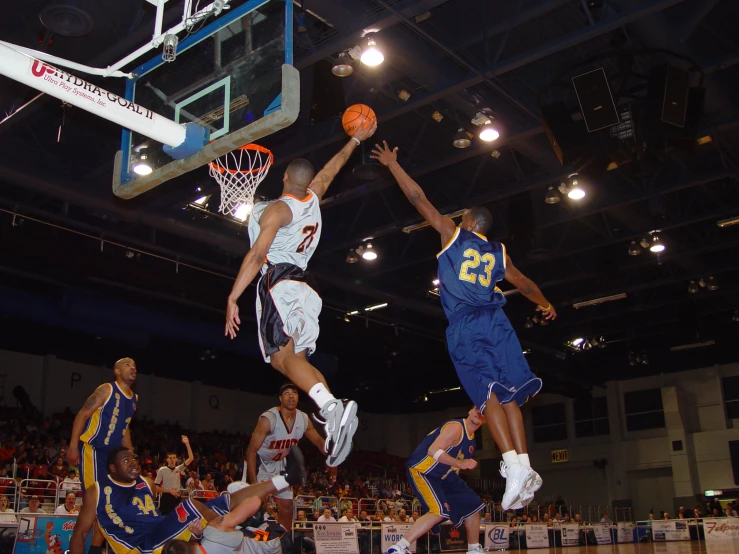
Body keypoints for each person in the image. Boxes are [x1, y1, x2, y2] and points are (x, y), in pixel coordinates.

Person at [371, 143, 556, 510]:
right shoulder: (500, 253)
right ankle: (523, 464)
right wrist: (546, 304)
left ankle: (512, 466)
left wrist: (393, 164)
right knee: (511, 395)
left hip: (467, 325)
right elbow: (526, 285)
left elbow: (416, 196)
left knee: (487, 396)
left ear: (469, 222)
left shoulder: (453, 235)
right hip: (498, 322)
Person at [225, 121, 377, 467]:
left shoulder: (277, 210)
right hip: (309, 287)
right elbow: (332, 169)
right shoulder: (313, 197)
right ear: (306, 183)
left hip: (279, 281)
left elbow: (255, 254)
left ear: (283, 179)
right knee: (300, 363)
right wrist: (354, 139)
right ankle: (334, 418)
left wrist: (234, 296)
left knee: (280, 358)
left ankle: (329, 407)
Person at [69, 445, 306, 554]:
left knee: (225, 500)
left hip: (160, 534)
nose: (134, 462)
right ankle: (238, 527)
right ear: (112, 468)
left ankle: (286, 478)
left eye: (134, 458)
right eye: (126, 461)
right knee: (191, 505)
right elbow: (82, 532)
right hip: (140, 547)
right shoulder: (98, 490)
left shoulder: (146, 482)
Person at [386, 408, 486, 554]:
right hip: (424, 470)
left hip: (445, 475)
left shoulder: (472, 441)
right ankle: (397, 548)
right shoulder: (456, 427)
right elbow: (433, 451)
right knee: (438, 511)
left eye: (484, 412)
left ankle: (474, 549)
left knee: (473, 505)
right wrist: (461, 463)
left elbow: (454, 464)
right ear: (470, 410)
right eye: (477, 408)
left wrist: (459, 467)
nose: (479, 412)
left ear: (487, 419)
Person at [66, 357, 138, 553]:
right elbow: (82, 414)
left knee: (107, 505)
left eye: (134, 365)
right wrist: (73, 446)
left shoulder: (134, 399)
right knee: (93, 503)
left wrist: (130, 455)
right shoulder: (106, 389)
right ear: (116, 370)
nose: (132, 367)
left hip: (112, 457)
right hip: (93, 450)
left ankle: (96, 549)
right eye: (127, 364)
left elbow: (125, 428)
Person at [246, 383, 333, 530]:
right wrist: (254, 483)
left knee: (287, 508)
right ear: (280, 398)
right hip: (262, 463)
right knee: (256, 507)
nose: (291, 396)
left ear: (298, 398)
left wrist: (332, 459)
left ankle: (282, 541)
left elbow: (318, 441)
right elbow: (251, 451)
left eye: (294, 393)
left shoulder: (303, 419)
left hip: (281, 464)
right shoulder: (269, 419)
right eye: (287, 393)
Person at [155, 436, 194, 515]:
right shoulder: (162, 469)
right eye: (170, 458)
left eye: (174, 458)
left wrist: (187, 443)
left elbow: (191, 458)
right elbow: (156, 487)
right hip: (166, 497)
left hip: (176, 496)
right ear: (167, 459)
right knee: (164, 518)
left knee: (177, 518)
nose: (172, 459)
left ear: (176, 459)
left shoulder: (178, 469)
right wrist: (169, 491)